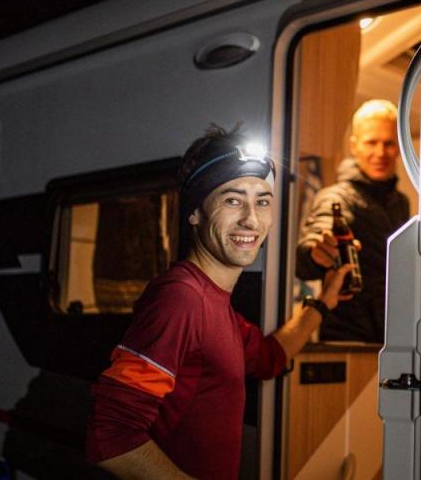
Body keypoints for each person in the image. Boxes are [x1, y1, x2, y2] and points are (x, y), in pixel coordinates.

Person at [85, 125, 352, 480]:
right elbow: (110, 437)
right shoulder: (181, 299)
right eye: (232, 199)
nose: (251, 219)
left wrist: (325, 300)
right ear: (195, 212)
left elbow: (271, 357)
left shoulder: (216, 305)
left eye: (262, 201)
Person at [296, 99, 410, 343]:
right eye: (371, 142)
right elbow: (314, 242)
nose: (380, 153)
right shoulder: (336, 197)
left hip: (392, 335)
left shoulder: (400, 202)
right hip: (346, 338)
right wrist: (316, 251)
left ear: (399, 148)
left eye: (389, 143)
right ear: (354, 146)